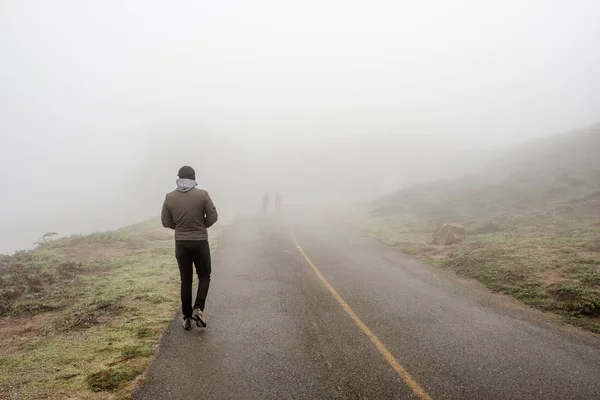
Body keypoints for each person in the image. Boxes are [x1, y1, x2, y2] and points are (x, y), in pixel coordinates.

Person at [161, 166, 218, 330]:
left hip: (181, 243)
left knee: (185, 280)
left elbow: (165, 221)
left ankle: (186, 318)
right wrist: (202, 225)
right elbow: (213, 216)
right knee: (204, 275)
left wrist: (180, 228)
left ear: (178, 178)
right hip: (200, 241)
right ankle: (198, 308)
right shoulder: (202, 195)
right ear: (194, 178)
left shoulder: (169, 197)